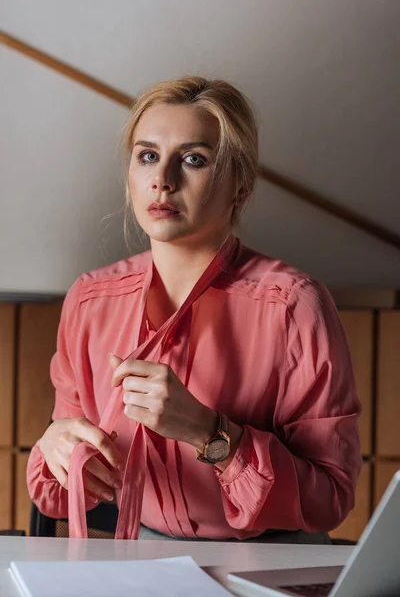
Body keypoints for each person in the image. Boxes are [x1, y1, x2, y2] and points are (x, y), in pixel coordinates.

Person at [27, 76, 362, 543]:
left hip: (275, 564)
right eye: (147, 156)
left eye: (193, 159)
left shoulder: (295, 306)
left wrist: (210, 433)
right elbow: (57, 495)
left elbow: (332, 496)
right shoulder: (89, 301)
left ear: (239, 187)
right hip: (142, 561)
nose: (162, 179)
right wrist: (57, 448)